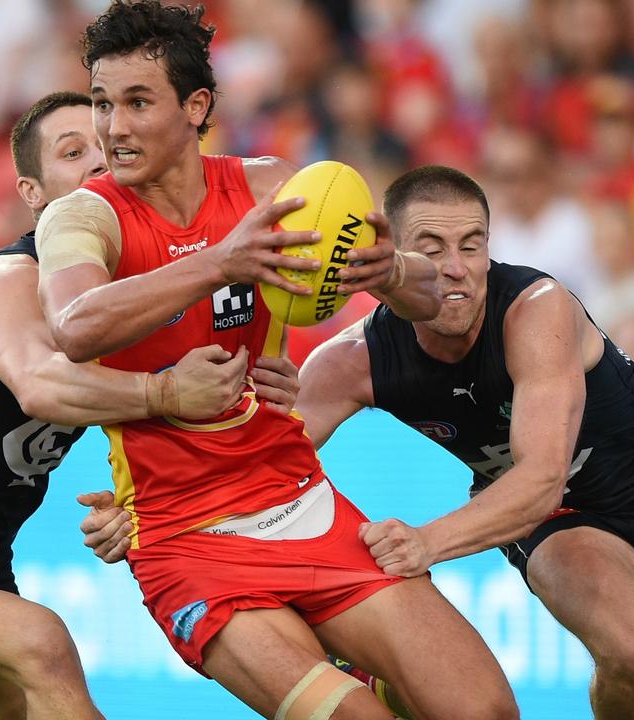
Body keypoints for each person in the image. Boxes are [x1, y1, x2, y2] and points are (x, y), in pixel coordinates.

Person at [36, 3, 517, 719]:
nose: (114, 128)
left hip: (302, 503)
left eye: (138, 102)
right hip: (185, 540)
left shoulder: (271, 189)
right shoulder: (83, 216)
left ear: (196, 106)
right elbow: (76, 326)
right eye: (104, 103)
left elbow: (439, 299)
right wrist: (219, 261)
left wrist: (387, 273)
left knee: (485, 713)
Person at [0, 90, 301, 720]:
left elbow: (164, 421)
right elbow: (41, 387)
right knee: (42, 642)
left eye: (106, 148)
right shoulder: (9, 279)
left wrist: (135, 503)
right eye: (73, 153)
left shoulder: (128, 299)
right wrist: (166, 392)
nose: (98, 162)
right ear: (33, 192)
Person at [294, 166, 634, 720]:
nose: (455, 269)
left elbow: (543, 474)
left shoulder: (536, 306)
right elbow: (259, 464)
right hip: (557, 516)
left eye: (472, 246)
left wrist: (424, 543)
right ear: (392, 258)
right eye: (431, 248)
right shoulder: (352, 361)